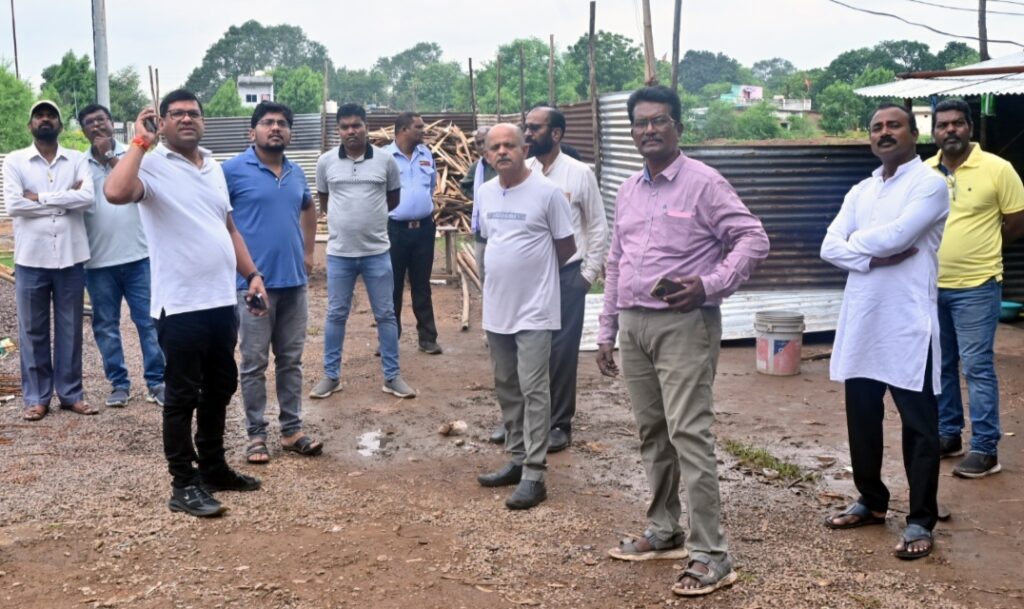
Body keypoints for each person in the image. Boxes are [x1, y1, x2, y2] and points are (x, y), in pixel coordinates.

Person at [596, 86, 769, 597]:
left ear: (678, 127)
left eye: (659, 121)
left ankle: (712, 553)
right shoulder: (628, 189)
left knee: (689, 434)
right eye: (640, 122)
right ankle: (665, 529)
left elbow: (753, 238)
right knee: (652, 431)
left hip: (684, 324)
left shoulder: (704, 183)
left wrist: (710, 285)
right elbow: (615, 260)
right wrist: (606, 328)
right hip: (635, 325)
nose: (648, 130)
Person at [105, 90, 268, 518]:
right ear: (161, 122)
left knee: (221, 386)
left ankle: (212, 467)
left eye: (193, 113)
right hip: (179, 306)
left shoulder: (213, 167)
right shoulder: (151, 164)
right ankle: (183, 483)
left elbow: (228, 227)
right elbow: (115, 192)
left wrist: (252, 274)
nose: (186, 119)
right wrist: (140, 143)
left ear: (203, 121)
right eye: (175, 114)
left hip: (220, 300)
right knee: (181, 396)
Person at [820, 103, 949, 560]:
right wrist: (873, 258)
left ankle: (920, 520)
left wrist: (856, 246)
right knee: (862, 418)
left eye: (894, 125)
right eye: (877, 127)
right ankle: (872, 501)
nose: (884, 132)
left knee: (919, 426)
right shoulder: (861, 190)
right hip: (864, 320)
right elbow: (828, 245)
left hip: (909, 324)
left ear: (915, 134)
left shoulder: (930, 184)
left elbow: (900, 236)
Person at [475, 123, 576, 510]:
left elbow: (566, 248)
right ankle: (517, 458)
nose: (502, 151)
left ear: (525, 150)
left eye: (510, 145)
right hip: (497, 307)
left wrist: (536, 278)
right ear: (487, 155)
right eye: (495, 147)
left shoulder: (548, 193)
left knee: (534, 389)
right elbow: (489, 240)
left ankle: (535, 474)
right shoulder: (485, 191)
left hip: (535, 308)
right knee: (507, 385)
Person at [222, 102, 324, 465]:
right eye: (267, 122)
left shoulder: (296, 173)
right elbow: (219, 219)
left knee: (291, 360)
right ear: (253, 132)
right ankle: (255, 435)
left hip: (294, 283)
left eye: (282, 123)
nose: (275, 127)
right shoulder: (231, 171)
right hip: (252, 286)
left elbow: (308, 207)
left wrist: (308, 253)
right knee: (253, 362)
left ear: (290, 133)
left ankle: (292, 430)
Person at [927, 98, 1024, 479]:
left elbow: (1016, 222)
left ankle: (985, 448)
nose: (950, 130)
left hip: (977, 287)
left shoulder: (998, 169)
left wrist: (982, 249)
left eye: (957, 123)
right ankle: (948, 435)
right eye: (942, 125)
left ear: (969, 127)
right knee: (941, 365)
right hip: (931, 287)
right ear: (934, 132)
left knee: (977, 367)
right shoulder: (924, 172)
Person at [309, 103, 416, 400]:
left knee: (386, 315)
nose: (351, 131)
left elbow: (392, 200)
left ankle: (392, 377)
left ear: (366, 127)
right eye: (345, 127)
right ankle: (331, 376)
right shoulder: (325, 162)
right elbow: (325, 201)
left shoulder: (385, 161)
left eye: (356, 125)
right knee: (335, 315)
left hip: (377, 252)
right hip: (340, 253)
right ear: (338, 131)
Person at [3, 100, 96, 421]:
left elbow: (87, 198)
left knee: (71, 329)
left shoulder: (77, 159)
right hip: (31, 259)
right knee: (32, 331)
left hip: (71, 257)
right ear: (30, 124)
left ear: (60, 124)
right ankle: (37, 398)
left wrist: (39, 197)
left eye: (51, 115)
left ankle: (71, 394)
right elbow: (14, 205)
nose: (45, 119)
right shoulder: (15, 161)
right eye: (39, 115)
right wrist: (65, 200)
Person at [523, 105, 608, 452]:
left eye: (535, 128)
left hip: (567, 276)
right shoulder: (524, 171)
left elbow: (598, 226)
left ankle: (559, 424)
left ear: (556, 134)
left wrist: (587, 275)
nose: (527, 134)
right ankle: (524, 418)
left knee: (561, 352)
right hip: (529, 278)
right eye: (526, 127)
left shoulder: (579, 173)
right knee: (526, 347)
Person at [78, 103, 166, 409]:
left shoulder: (135, 154)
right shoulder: (78, 165)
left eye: (101, 120)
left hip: (140, 257)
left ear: (111, 122)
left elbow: (134, 186)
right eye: (89, 122)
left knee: (149, 322)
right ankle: (119, 384)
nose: (96, 126)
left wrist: (110, 157)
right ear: (83, 130)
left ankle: (157, 381)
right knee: (105, 326)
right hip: (97, 262)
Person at [385, 112, 442, 355]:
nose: (423, 130)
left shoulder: (426, 154)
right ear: (403, 130)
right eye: (418, 127)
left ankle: (427, 338)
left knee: (422, 285)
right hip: (394, 231)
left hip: (423, 230)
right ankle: (389, 339)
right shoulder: (384, 157)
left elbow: (431, 187)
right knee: (392, 286)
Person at [460, 126, 496, 284]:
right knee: (483, 272)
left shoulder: (504, 164)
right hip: (482, 230)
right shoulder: (477, 167)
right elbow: (464, 185)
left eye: (484, 142)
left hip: (504, 228)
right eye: (477, 143)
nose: (481, 146)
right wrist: (480, 199)